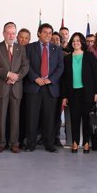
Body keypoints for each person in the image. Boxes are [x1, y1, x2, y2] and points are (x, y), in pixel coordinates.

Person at [0, 22, 30, 153]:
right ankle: (0, 143)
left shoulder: (21, 49)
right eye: (9, 33)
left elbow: (25, 66)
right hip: (1, 87)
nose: (11, 35)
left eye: (14, 33)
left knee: (15, 118)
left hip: (16, 88)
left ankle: (14, 143)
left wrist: (16, 77)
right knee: (0, 118)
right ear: (3, 34)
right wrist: (8, 75)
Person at [24, 23, 64, 152]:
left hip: (50, 88)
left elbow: (60, 67)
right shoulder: (29, 48)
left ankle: (49, 144)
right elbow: (25, 65)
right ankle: (30, 144)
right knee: (31, 117)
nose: (48, 35)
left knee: (49, 118)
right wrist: (35, 78)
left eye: (50, 33)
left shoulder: (57, 49)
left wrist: (49, 80)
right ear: (39, 33)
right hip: (33, 86)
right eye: (45, 32)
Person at [62, 33, 97, 153]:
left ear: (82, 42)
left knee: (86, 118)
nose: (75, 43)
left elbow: (96, 75)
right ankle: (74, 142)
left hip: (87, 92)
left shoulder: (90, 56)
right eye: (73, 41)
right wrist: (64, 96)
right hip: (72, 93)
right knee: (74, 118)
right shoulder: (67, 58)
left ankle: (86, 143)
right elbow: (64, 79)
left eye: (78, 40)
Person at [17, 28, 32, 146]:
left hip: (30, 88)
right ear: (17, 37)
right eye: (21, 37)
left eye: (26, 38)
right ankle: (17, 139)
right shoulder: (13, 49)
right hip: (15, 86)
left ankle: (25, 138)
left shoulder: (32, 49)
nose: (24, 40)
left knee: (27, 115)